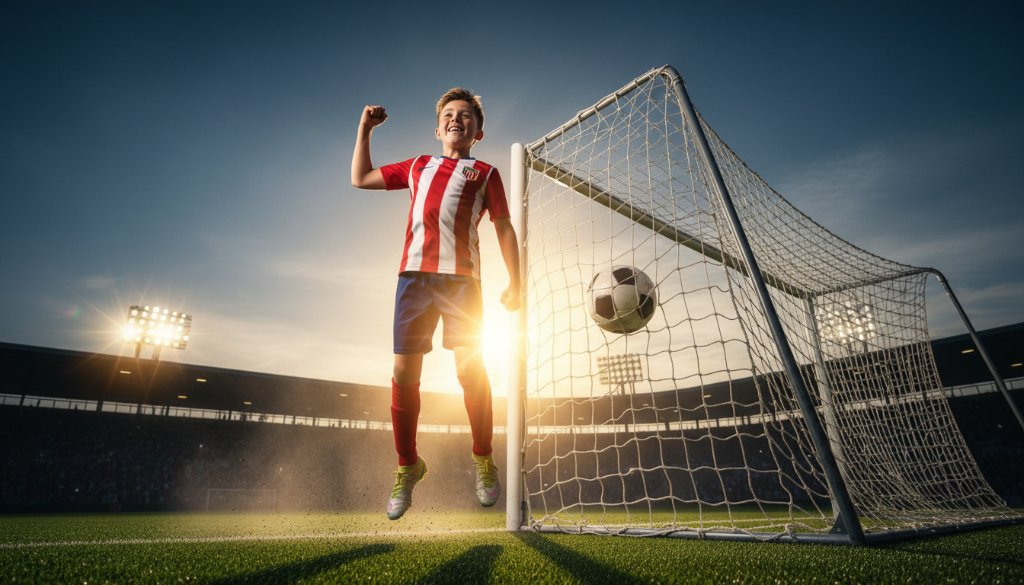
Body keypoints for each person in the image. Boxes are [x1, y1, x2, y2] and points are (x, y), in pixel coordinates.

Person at [351, 88, 521, 520]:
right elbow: (361, 178)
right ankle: (408, 465)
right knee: (404, 373)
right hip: (413, 279)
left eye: (466, 116)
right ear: (438, 126)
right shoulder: (418, 166)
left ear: (478, 132)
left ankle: (483, 457)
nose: (457, 119)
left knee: (470, 368)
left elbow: (503, 228)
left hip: (462, 282)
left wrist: (516, 281)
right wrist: (364, 129)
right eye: (449, 114)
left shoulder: (485, 173)